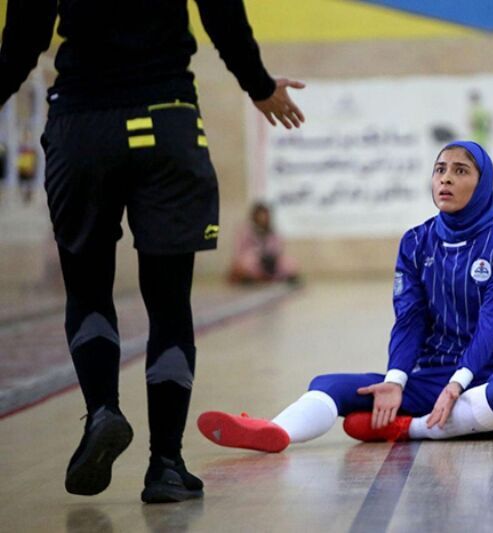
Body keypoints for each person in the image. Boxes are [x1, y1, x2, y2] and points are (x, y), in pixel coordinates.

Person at [0, 0, 305, 503]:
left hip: (81, 125)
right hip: (167, 119)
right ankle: (165, 464)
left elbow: (23, 41)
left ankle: (103, 411)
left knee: (88, 290)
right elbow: (222, 13)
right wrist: (257, 85)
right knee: (169, 304)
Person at [197, 141, 493, 453]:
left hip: (482, 379)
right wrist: (395, 380)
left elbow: (492, 324)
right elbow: (410, 320)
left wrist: (457, 384)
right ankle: (274, 430)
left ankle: (410, 428)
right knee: (327, 385)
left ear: (482, 184)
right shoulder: (416, 242)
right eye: (440, 169)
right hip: (430, 378)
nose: (445, 178)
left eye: (460, 171)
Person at [228, 202, 300, 284]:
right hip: (254, 263)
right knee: (246, 263)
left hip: (271, 264)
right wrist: (256, 254)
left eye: (265, 216)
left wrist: (270, 256)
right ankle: (250, 277)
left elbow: (278, 250)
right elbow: (238, 252)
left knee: (290, 263)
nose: (262, 219)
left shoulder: (273, 232)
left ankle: (279, 277)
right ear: (254, 216)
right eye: (260, 216)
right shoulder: (245, 231)